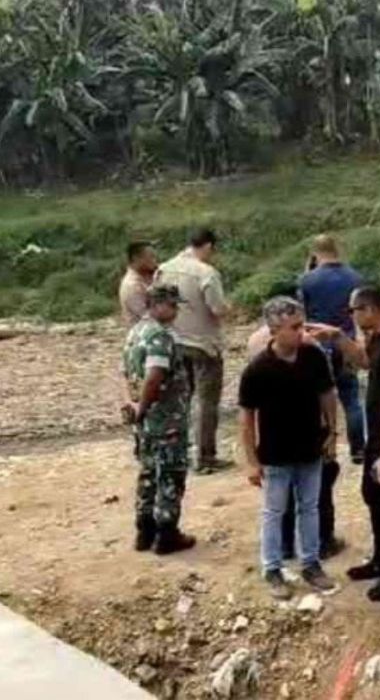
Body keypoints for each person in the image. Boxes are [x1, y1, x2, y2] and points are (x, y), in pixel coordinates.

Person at [308, 284, 380, 603]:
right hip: (379, 435)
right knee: (374, 495)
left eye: (353, 311)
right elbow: (365, 362)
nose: (351, 316)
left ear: (370, 309)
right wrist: (337, 337)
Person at [238, 297, 338, 599]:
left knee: (310, 507)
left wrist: (333, 431)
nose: (302, 333)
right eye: (294, 327)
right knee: (274, 511)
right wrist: (252, 461)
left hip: (310, 448)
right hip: (276, 454)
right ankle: (272, 568)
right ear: (274, 330)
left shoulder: (313, 357)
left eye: (302, 325)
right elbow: (246, 418)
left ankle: (311, 563)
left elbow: (327, 394)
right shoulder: (258, 369)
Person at [121, 284, 196, 555]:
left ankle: (144, 531)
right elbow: (154, 375)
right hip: (166, 418)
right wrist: (142, 406)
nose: (176, 311)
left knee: (148, 473)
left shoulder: (134, 333)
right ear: (157, 304)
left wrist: (133, 406)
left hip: (145, 420)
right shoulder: (159, 336)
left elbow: (126, 374)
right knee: (170, 475)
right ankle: (167, 534)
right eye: (173, 305)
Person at [156, 228, 230, 474]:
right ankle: (205, 456)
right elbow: (217, 308)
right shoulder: (206, 272)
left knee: (180, 400)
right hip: (203, 343)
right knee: (207, 402)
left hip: (174, 341)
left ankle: (177, 453)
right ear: (208, 246)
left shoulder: (164, 269)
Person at [299, 235, 366, 464]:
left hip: (318, 344)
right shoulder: (355, 277)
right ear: (337, 248)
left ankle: (327, 449)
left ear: (315, 252)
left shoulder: (307, 280)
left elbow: (301, 313)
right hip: (346, 342)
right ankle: (358, 449)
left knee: (320, 400)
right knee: (352, 399)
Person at [119, 241, 158, 327]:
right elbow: (147, 317)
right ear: (136, 258)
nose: (155, 261)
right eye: (151, 257)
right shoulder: (132, 285)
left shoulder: (149, 277)